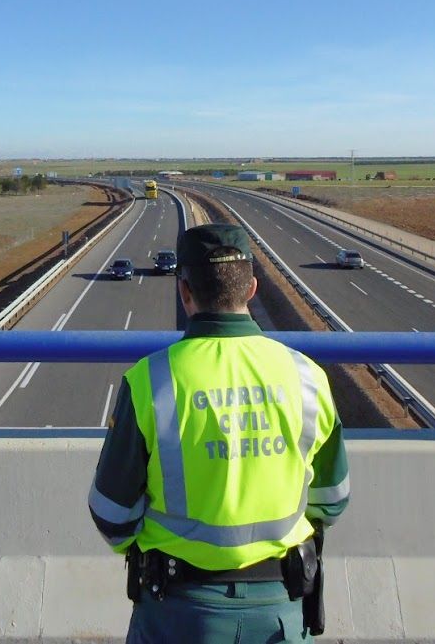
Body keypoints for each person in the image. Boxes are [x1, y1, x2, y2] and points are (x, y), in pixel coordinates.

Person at [89, 224, 349, 643]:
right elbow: (333, 502)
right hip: (282, 609)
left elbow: (112, 516)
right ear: (252, 289)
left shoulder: (150, 382)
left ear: (184, 291)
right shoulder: (307, 378)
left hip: (179, 613)